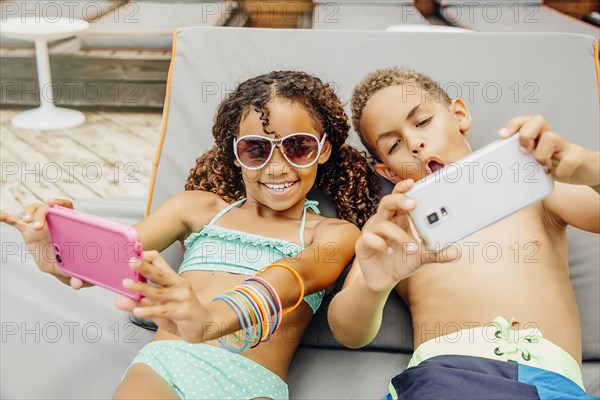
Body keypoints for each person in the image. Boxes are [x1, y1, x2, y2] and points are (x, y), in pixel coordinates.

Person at [0, 70, 380, 400]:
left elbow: (286, 280)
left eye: (298, 147)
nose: (276, 167)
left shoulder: (334, 234)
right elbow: (107, 259)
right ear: (235, 154)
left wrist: (210, 318)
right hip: (165, 366)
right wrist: (55, 253)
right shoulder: (195, 208)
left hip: (252, 382)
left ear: (324, 149)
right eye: (256, 149)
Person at [327, 66, 600, 399]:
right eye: (395, 144)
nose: (415, 143)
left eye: (423, 121)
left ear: (459, 115)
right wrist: (372, 286)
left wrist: (590, 168)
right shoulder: (397, 227)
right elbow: (348, 331)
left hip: (554, 384)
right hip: (444, 377)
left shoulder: (534, 186)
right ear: (388, 171)